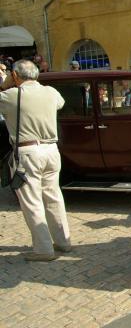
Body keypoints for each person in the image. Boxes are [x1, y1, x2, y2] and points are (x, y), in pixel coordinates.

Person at [0, 60, 71, 262]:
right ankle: (63, 241)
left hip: (28, 151)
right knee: (53, 196)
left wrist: (4, 84)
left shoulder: (10, 96)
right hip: (51, 150)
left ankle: (43, 249)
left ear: (15, 75)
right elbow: (61, 103)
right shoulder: (51, 92)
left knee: (32, 202)